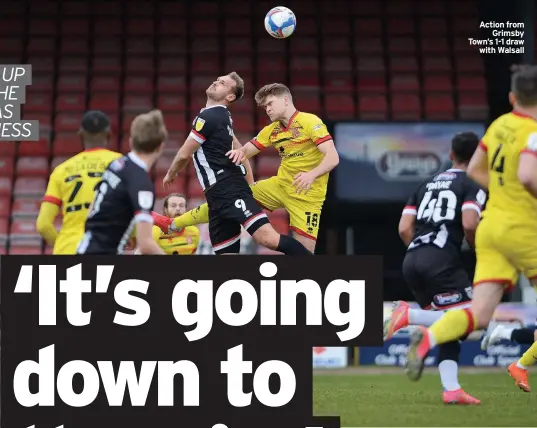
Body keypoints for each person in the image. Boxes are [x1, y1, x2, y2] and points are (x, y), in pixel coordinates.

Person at [404, 65, 537, 390]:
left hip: (492, 228)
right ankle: (520, 362)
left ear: (511, 97)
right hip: (524, 229)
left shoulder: (499, 126)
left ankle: (428, 338)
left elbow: (476, 169)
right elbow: (529, 176)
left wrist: (502, 193)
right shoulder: (534, 130)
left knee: (477, 315)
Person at [156, 83, 339, 254]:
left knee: (303, 253)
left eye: (270, 104)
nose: (267, 109)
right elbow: (248, 148)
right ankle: (173, 223)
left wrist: (311, 175)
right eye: (265, 107)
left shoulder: (309, 121)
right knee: (229, 198)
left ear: (285, 100)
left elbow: (333, 156)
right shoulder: (273, 130)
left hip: (307, 195)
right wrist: (240, 152)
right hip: (280, 186)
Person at [385, 132, 485, 404]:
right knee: (470, 319)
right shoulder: (473, 182)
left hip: (413, 257)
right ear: (477, 157)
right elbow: (469, 223)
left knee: (449, 329)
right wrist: (478, 250)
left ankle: (451, 390)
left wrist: (419, 252)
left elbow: (404, 228)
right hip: (441, 260)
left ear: (451, 155)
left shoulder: (425, 184)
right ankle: (409, 316)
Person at [77, 110, 168, 255]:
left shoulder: (116, 165)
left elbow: (91, 212)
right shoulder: (142, 184)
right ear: (160, 147)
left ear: (131, 141)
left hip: (86, 247)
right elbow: (145, 244)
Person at [36, 110, 122, 254]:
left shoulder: (62, 170)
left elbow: (43, 225)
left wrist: (61, 244)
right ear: (109, 133)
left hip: (68, 249)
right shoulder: (122, 164)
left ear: (80, 134)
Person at [134, 193, 200, 255]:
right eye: (173, 206)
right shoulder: (156, 230)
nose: (178, 209)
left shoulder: (194, 231)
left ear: (186, 209)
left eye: (181, 206)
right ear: (166, 209)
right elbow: (139, 252)